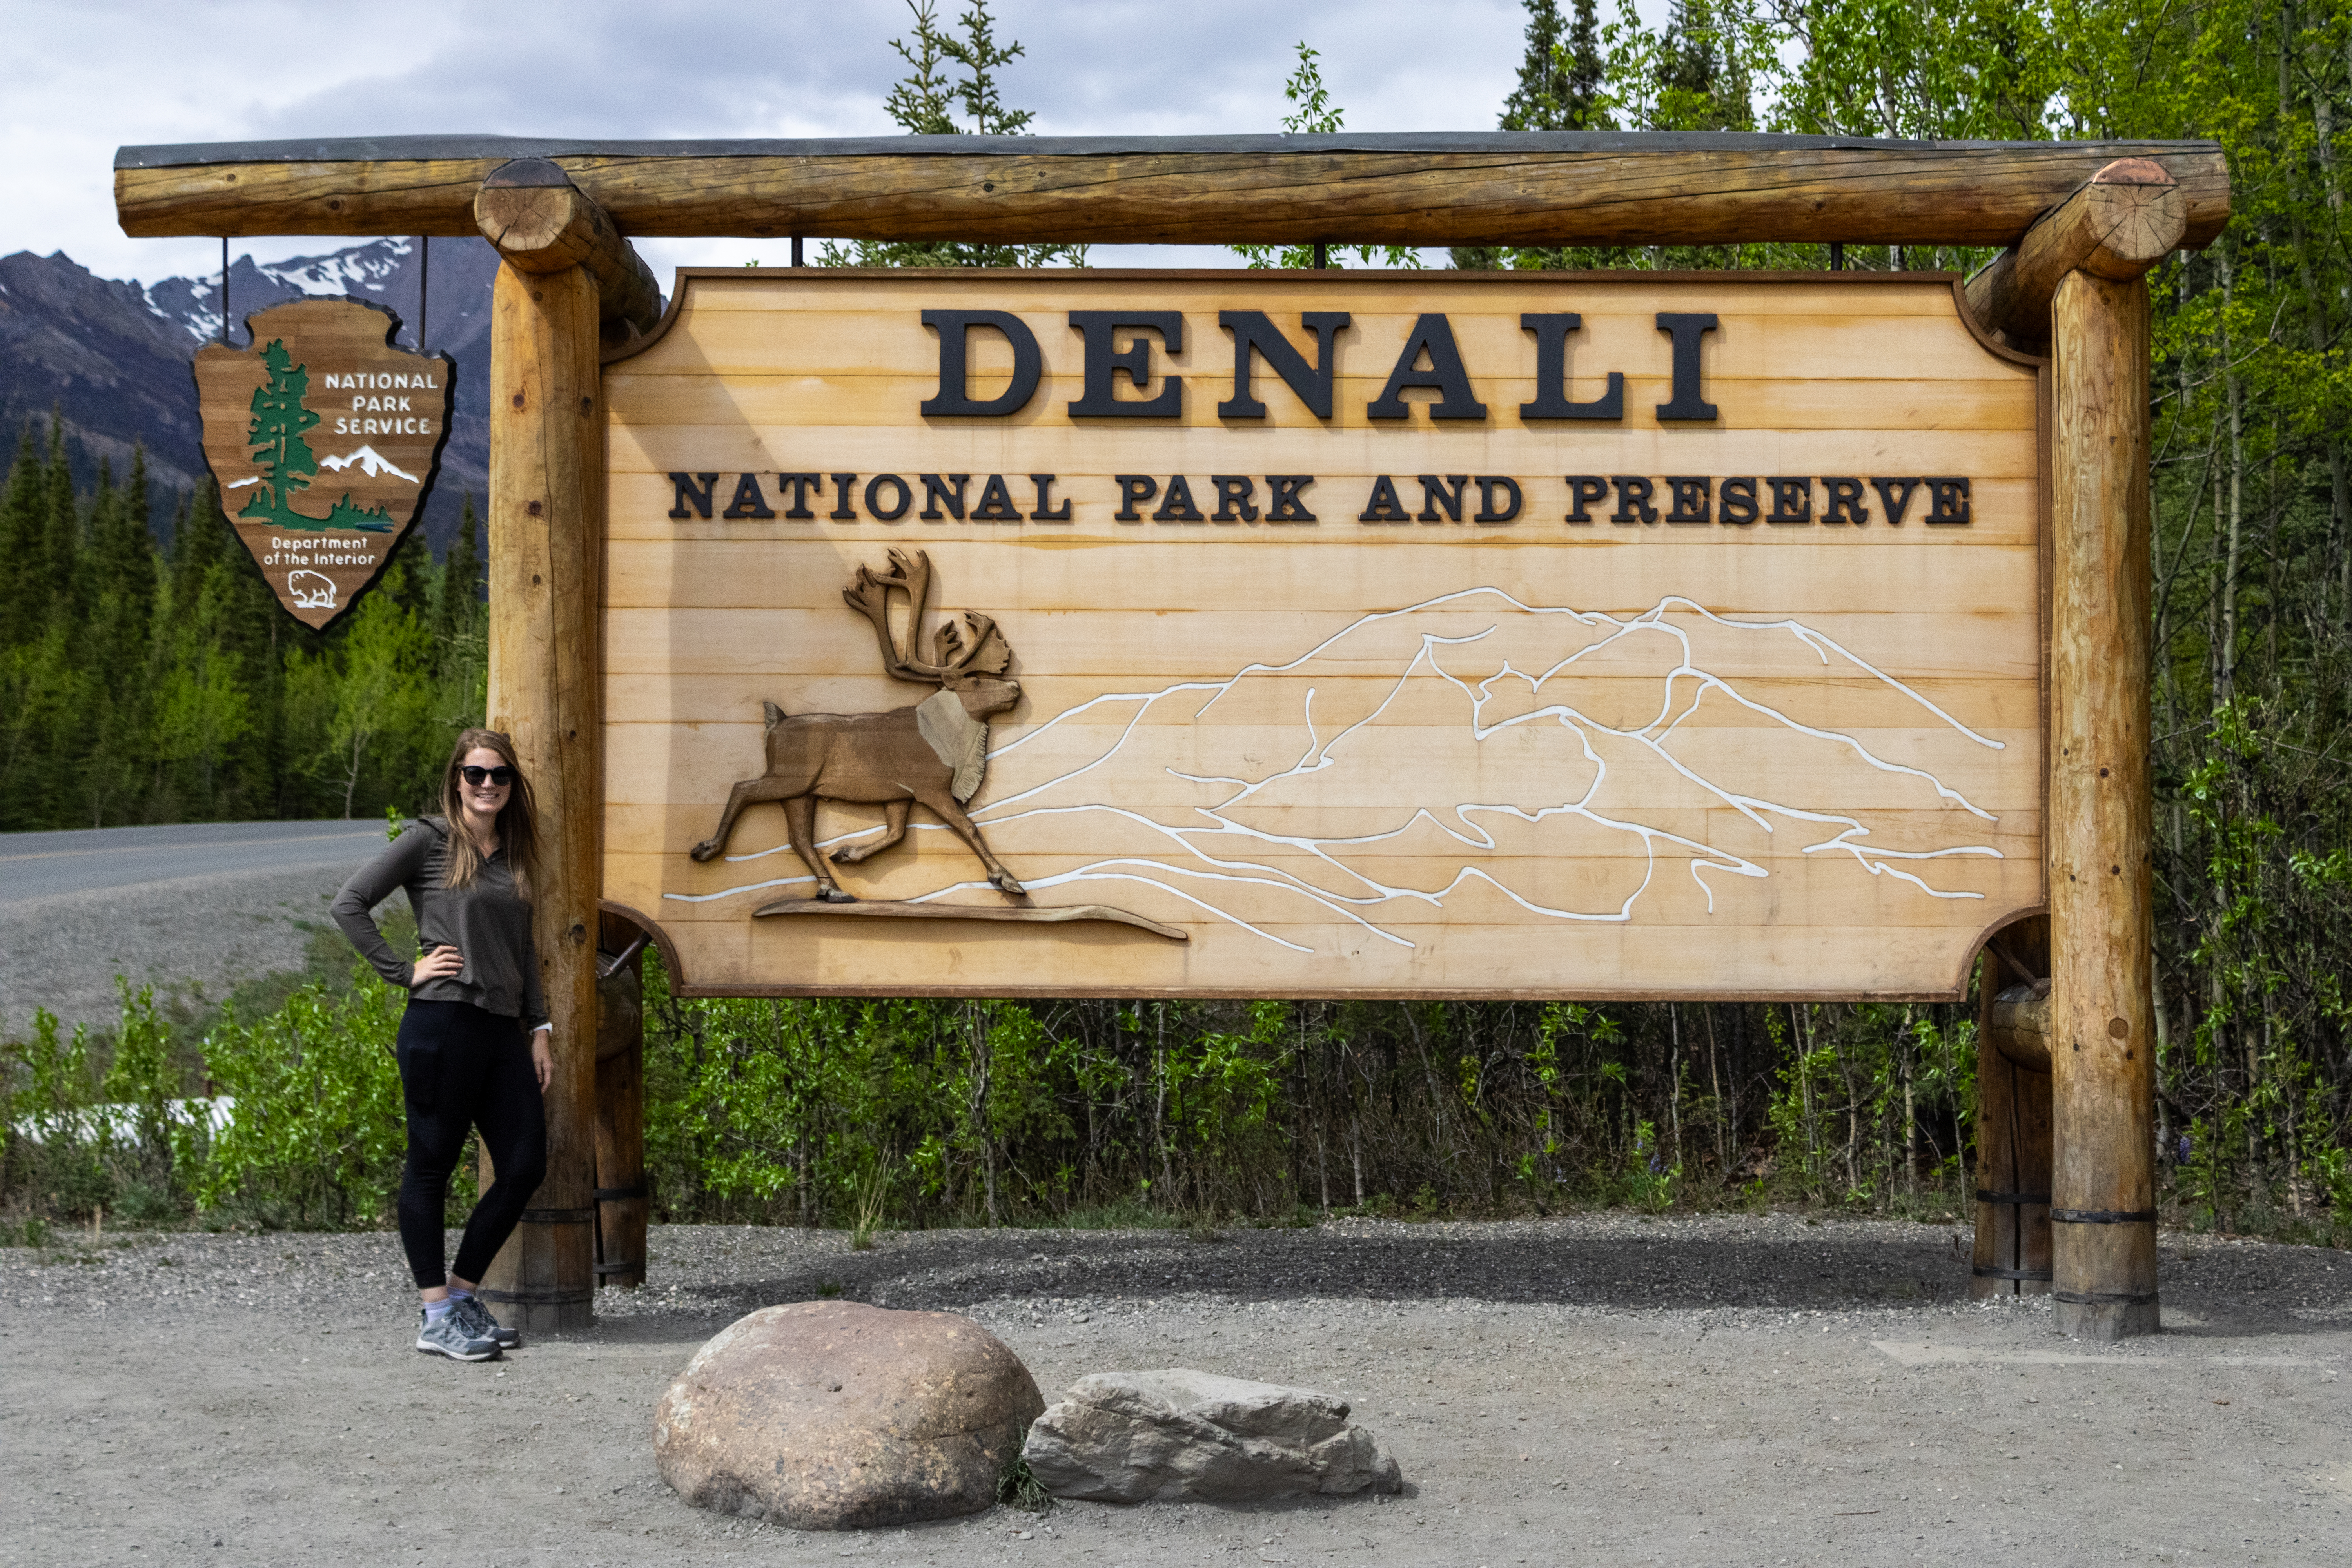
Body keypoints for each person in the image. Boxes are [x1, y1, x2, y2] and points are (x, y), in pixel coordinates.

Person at [333, 729, 552, 1361]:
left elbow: (525, 950)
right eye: (476, 773)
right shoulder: (429, 841)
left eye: (500, 775)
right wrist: (405, 970)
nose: (488, 785)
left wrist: (540, 1029)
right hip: (442, 1023)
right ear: (456, 778)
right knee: (430, 1166)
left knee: (524, 1165)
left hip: (503, 1033)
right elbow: (349, 906)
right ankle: (435, 1316)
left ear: (514, 785)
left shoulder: (516, 853)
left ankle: (459, 1295)